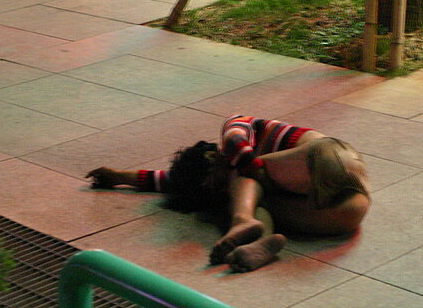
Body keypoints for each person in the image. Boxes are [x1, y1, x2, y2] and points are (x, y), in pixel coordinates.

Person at [86, 115, 371, 272]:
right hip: (347, 211)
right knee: (263, 205)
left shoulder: (239, 136)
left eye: (216, 179)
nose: (226, 188)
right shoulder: (248, 184)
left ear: (214, 157)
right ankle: (258, 245)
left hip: (330, 156)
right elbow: (168, 182)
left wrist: (242, 162)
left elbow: (235, 137)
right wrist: (119, 177)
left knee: (244, 172)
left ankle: (242, 221)